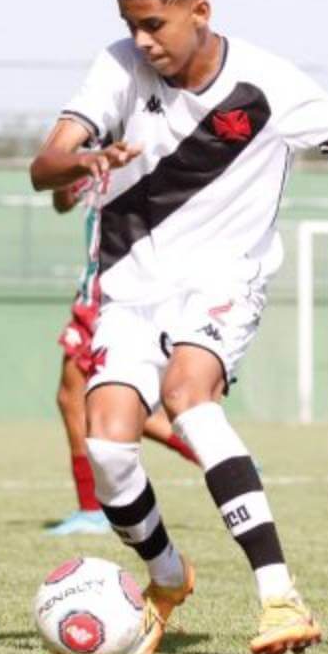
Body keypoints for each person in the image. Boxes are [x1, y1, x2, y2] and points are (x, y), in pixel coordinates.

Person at [29, 0, 328, 654]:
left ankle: (280, 597)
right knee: (107, 444)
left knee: (191, 396)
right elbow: (44, 165)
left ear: (200, 10)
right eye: (131, 24)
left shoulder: (267, 83)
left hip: (223, 281)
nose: (141, 39)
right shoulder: (118, 66)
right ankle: (166, 578)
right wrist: (86, 156)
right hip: (129, 283)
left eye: (154, 23)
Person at [47, 175, 199, 536]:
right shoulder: (94, 159)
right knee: (99, 401)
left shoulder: (134, 154)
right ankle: (211, 450)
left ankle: (92, 509)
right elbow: (62, 201)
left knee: (84, 400)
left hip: (111, 294)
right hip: (103, 292)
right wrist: (67, 167)